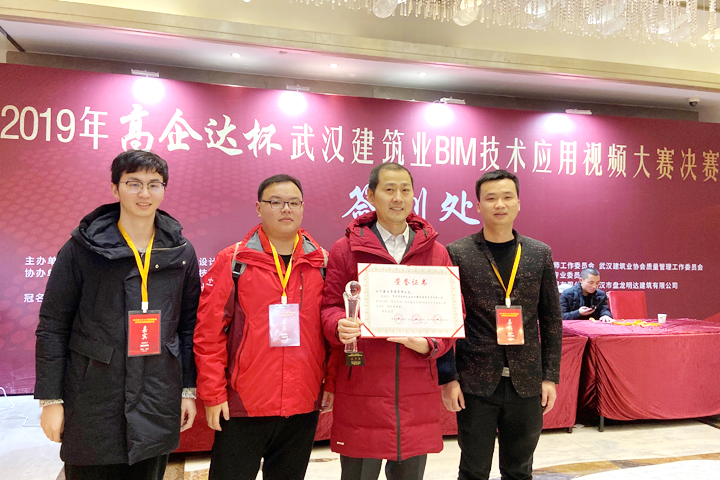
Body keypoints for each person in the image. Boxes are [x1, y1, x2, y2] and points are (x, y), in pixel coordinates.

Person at [35, 150, 201, 480]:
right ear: (115, 188)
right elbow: (53, 325)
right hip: (93, 396)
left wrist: (187, 391)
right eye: (133, 183)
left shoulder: (180, 252)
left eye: (154, 184)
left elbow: (187, 328)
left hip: (157, 394)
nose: (144, 193)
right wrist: (51, 400)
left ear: (164, 189)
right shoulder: (82, 249)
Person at [194, 174, 334, 480]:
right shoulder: (234, 261)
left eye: (293, 202)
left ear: (302, 208)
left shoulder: (322, 263)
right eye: (276, 202)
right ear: (258, 207)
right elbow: (208, 334)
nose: (286, 209)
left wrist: (331, 385)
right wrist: (213, 395)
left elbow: (331, 334)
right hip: (244, 403)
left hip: (302, 403)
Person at [321, 163, 454, 480]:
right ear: (370, 195)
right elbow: (329, 306)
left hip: (415, 387)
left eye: (405, 190)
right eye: (389, 189)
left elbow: (453, 314)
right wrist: (338, 325)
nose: (398, 197)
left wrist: (431, 344)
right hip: (362, 381)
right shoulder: (345, 250)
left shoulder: (436, 252)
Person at [438, 169, 563, 480]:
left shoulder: (539, 253)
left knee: (519, 470)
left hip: (527, 382)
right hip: (474, 382)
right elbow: (446, 320)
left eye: (507, 197)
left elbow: (551, 320)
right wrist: (448, 378)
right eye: (491, 198)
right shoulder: (457, 253)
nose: (499, 204)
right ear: (477, 205)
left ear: (518, 203)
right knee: (473, 470)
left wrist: (550, 377)